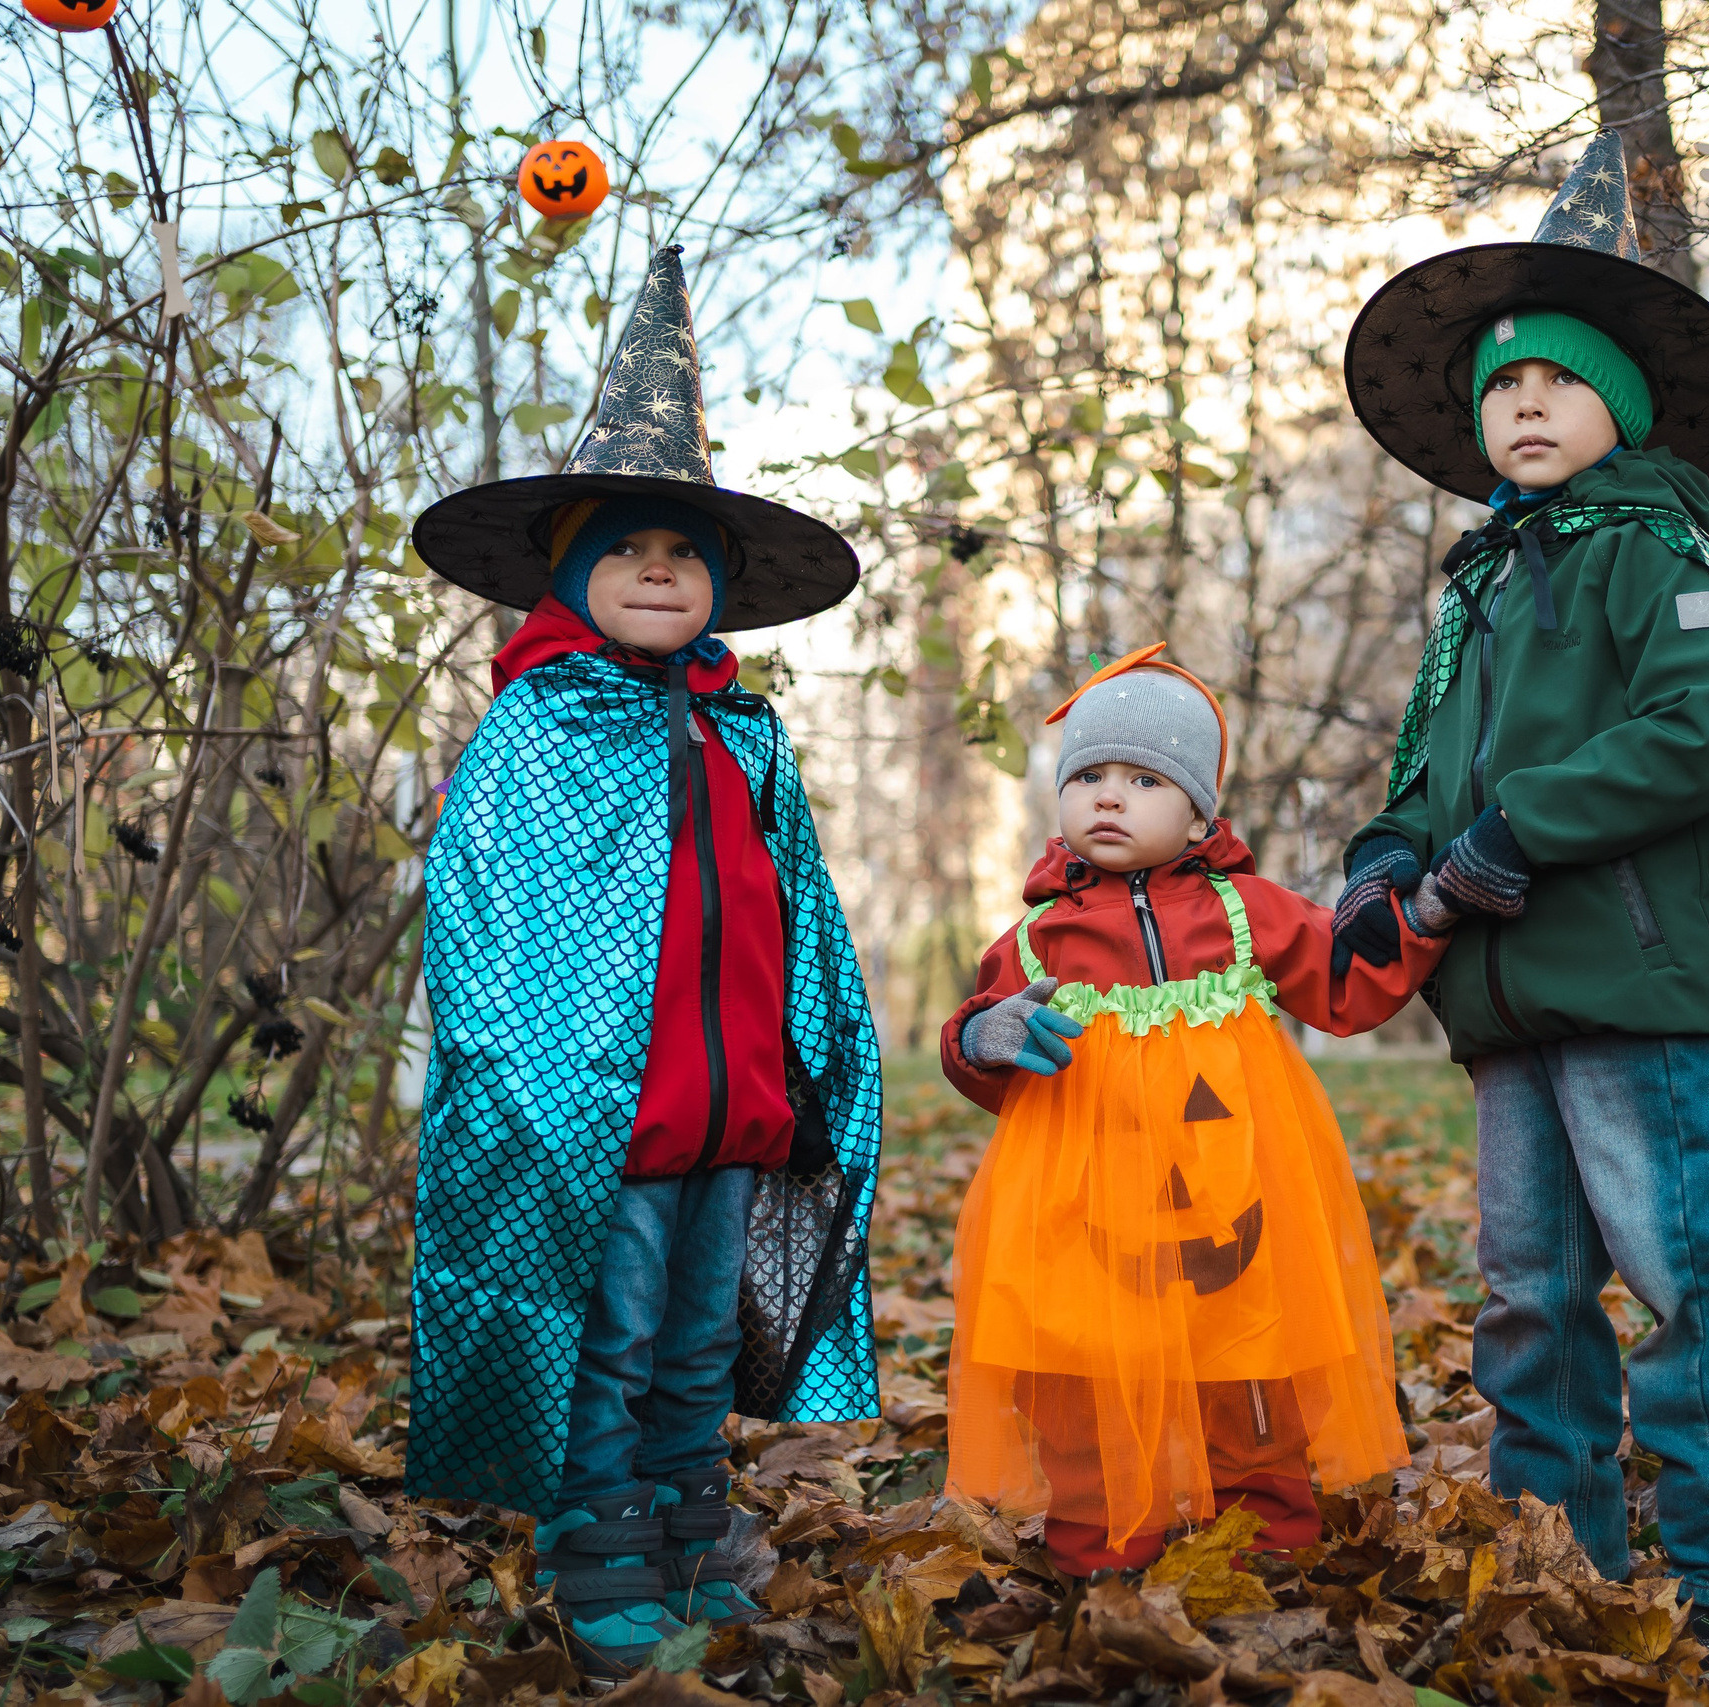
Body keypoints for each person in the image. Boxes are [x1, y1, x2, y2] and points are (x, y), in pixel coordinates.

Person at [1332, 131, 1709, 1666]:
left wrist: (1517, 829)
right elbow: (1430, 769)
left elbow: (1703, 731)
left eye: (1552, 379)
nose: (1522, 404)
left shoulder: (1655, 548)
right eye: (1498, 388)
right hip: (1499, 1000)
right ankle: (1561, 1553)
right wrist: (1389, 857)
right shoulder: (1481, 588)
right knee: (1529, 1297)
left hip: (1634, 989)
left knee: (1690, 1274)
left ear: (1616, 400)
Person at [404, 246, 883, 1677]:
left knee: (691, 1341)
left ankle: (686, 1515)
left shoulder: (748, 735)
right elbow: (484, 931)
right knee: (604, 1337)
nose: (658, 569)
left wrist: (810, 1071)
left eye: (683, 554)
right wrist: (535, 1095)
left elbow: (803, 919)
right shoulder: (535, 731)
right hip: (601, 1122)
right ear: (571, 573)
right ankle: (595, 1534)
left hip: (733, 1113)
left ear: (722, 586)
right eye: (625, 548)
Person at [940, 645, 1449, 1574]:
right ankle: (1098, 1541)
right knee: (1081, 1381)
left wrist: (1427, 916)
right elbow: (987, 1061)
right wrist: (980, 1038)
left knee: (1252, 1370)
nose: (1108, 796)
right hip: (1083, 1207)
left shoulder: (1249, 914)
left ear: (1198, 810)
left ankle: (1265, 1537)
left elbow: (1351, 986)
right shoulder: (1035, 939)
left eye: (1143, 778)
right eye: (1088, 775)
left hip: (1231, 1201)